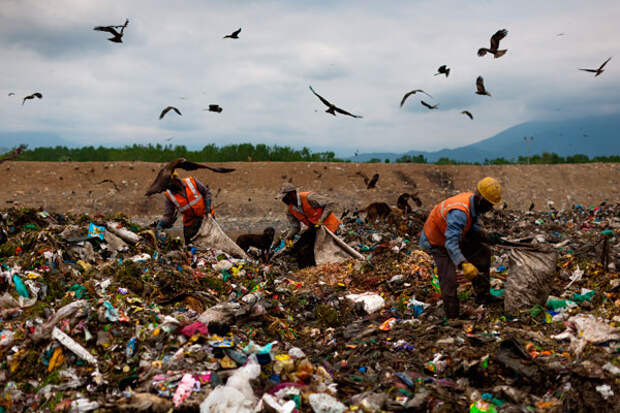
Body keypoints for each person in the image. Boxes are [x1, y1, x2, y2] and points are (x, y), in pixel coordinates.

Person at [419, 177, 502, 319]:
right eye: (489, 205)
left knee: (483, 253)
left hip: (451, 237)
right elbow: (450, 245)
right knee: (449, 279)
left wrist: (485, 236)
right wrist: (464, 264)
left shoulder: (472, 203)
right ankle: (452, 315)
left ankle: (483, 296)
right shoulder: (459, 213)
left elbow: (470, 226)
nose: (490, 209)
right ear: (481, 200)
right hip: (437, 241)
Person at [277, 183, 341, 267]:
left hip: (330, 228)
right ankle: (306, 271)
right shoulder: (290, 210)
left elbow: (330, 203)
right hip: (315, 229)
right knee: (298, 248)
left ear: (292, 194)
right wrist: (289, 237)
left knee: (317, 250)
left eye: (285, 197)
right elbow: (295, 227)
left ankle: (318, 268)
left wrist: (321, 220)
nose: (283, 200)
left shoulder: (309, 198)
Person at [156, 172, 213, 244]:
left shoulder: (191, 182)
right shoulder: (169, 195)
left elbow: (206, 193)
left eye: (169, 184)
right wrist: (160, 225)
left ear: (175, 179)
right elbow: (168, 215)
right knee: (191, 247)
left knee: (211, 243)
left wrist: (207, 209)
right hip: (191, 224)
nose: (168, 187)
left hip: (207, 218)